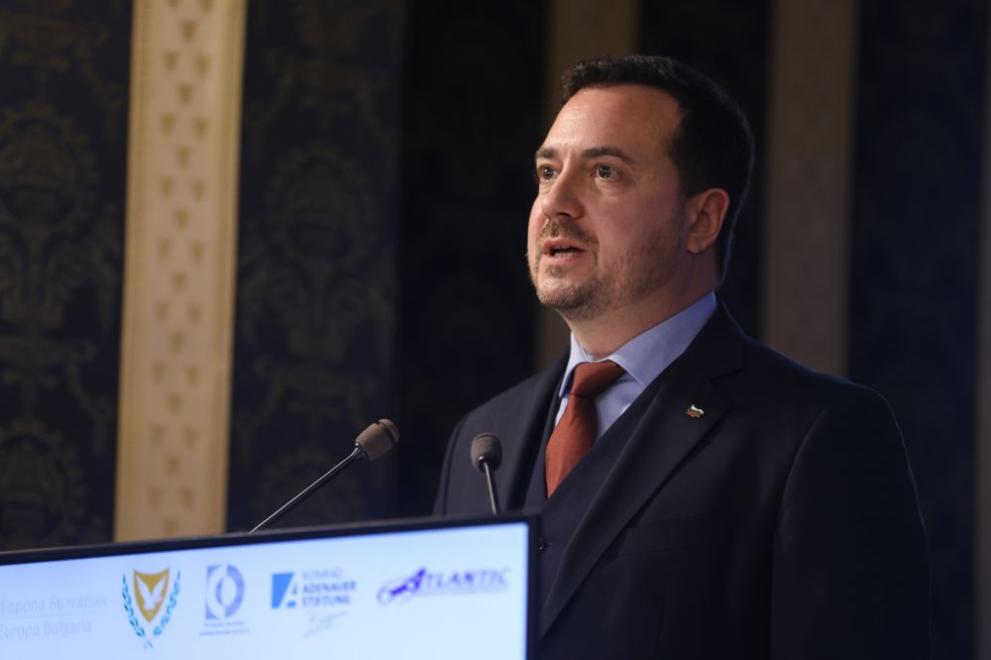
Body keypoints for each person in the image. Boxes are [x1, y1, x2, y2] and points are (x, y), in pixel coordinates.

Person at [433, 55, 928, 659]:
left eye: (604, 172)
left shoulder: (819, 433)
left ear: (701, 219)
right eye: (547, 172)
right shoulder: (482, 437)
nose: (555, 203)